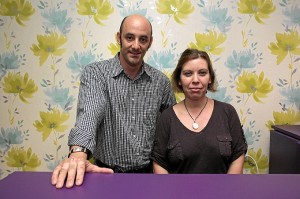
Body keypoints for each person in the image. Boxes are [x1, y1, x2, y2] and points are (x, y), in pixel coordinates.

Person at [51, 14, 176, 188]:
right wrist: (78, 153)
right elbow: (90, 112)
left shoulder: (161, 82)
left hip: (149, 176)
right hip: (105, 175)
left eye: (143, 39)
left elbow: (171, 128)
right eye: (129, 37)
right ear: (119, 37)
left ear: (150, 42)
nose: (136, 45)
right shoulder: (96, 73)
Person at [151, 48, 247, 174]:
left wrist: (227, 190)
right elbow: (159, 164)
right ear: (179, 80)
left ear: (210, 78)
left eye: (202, 73)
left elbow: (237, 156)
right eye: (188, 73)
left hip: (222, 192)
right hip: (178, 193)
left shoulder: (227, 112)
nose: (195, 80)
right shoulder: (167, 117)